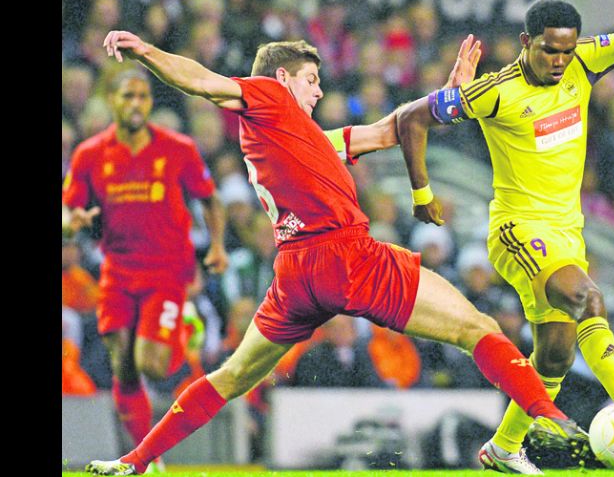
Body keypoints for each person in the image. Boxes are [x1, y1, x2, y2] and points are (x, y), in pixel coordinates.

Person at [86, 30, 586, 475]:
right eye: (311, 80)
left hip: (295, 276)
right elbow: (203, 82)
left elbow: (390, 130)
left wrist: (452, 96)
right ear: (282, 79)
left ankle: (134, 461)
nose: (320, 91)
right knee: (475, 328)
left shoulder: (301, 138)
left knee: (233, 375)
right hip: (345, 256)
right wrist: (146, 51)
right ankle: (548, 420)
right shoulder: (270, 97)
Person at [395, 0, 614, 474]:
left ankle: (504, 447)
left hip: (568, 233)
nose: (560, 61)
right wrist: (422, 192)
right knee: (588, 299)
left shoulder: (583, 60)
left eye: (567, 51)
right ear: (526, 42)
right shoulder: (496, 91)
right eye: (550, 50)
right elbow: (411, 117)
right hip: (519, 230)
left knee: (554, 357)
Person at [62, 68, 229, 474]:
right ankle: (145, 459)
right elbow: (69, 209)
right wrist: (71, 223)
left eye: (142, 96)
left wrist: (217, 246)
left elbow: (209, 199)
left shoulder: (178, 148)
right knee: (123, 365)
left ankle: (184, 326)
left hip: (166, 269)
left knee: (152, 364)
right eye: (127, 96)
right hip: (117, 269)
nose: (135, 104)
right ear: (112, 100)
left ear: (150, 102)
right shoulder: (90, 154)